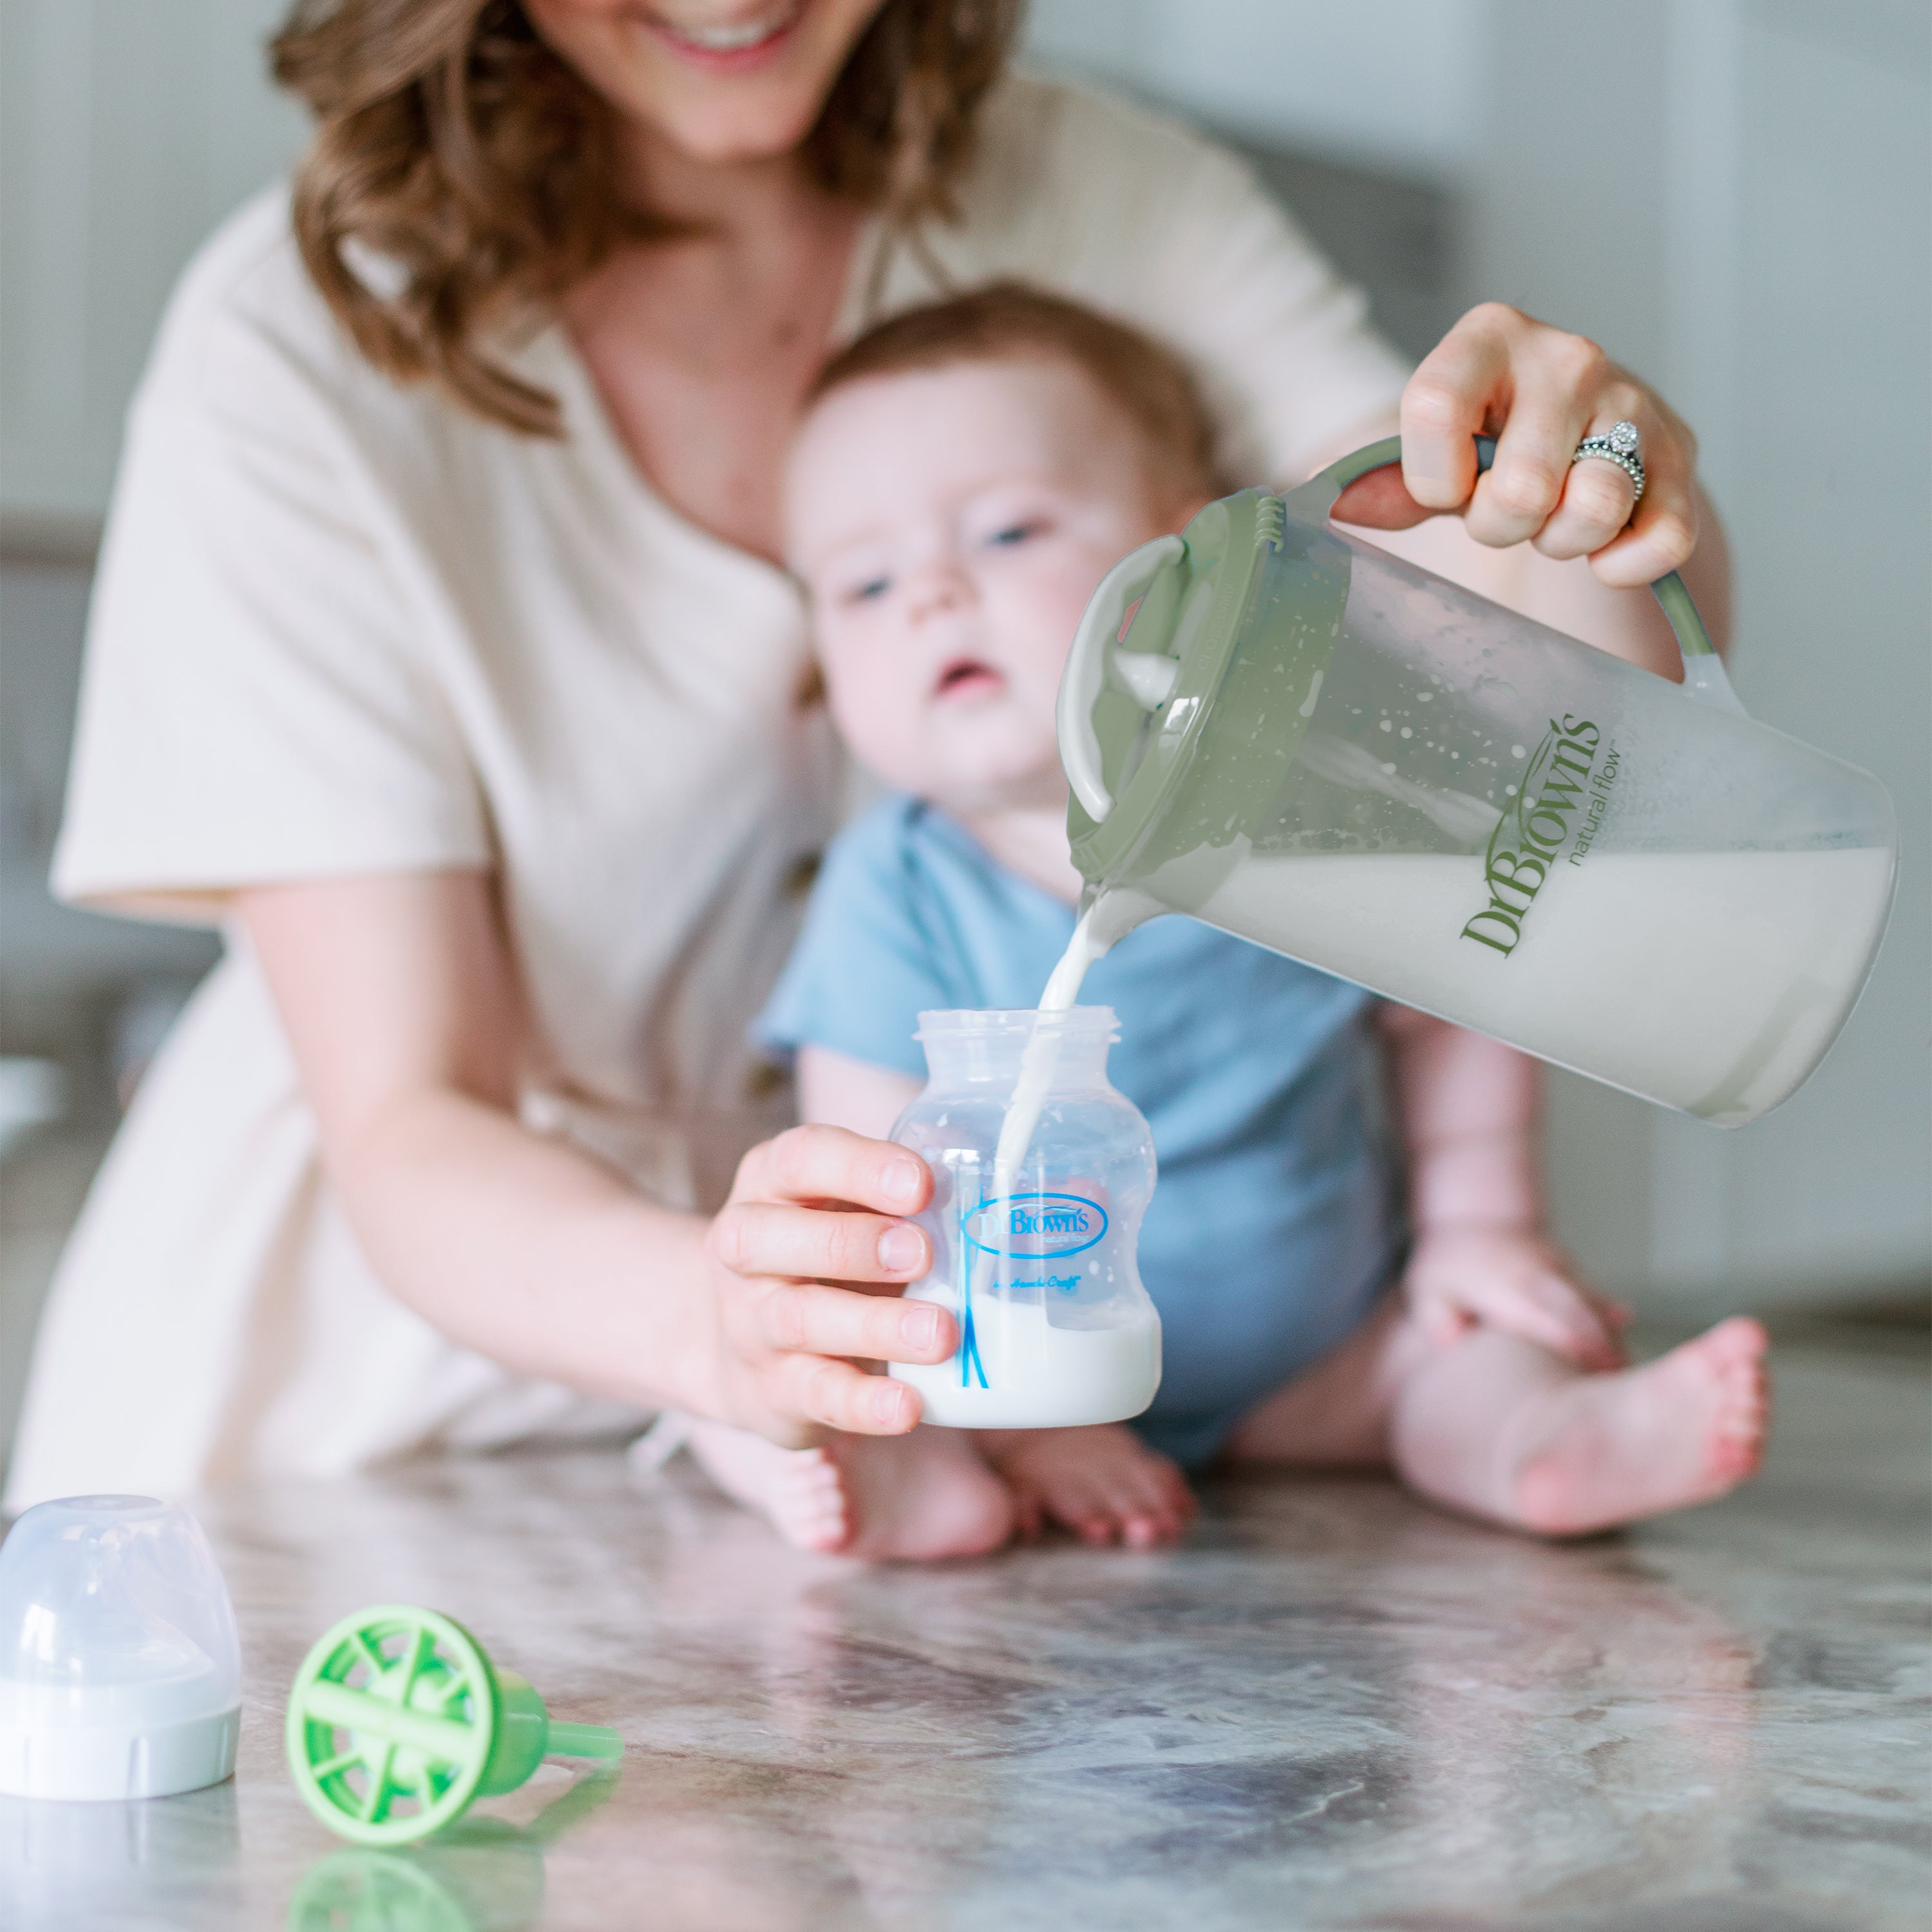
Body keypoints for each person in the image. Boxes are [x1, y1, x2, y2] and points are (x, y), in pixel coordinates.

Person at [5, 0, 1730, 1510]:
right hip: (382, 1433)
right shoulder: (306, 349)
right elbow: (409, 1117)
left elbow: (1508, 649)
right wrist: (724, 1326)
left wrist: (1590, 486)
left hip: (948, 1422)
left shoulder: (1103, 200)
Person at [672, 284, 1770, 1559]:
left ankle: (1544, 1448)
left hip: (1323, 1355)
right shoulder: (899, 884)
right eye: (863, 583)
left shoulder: (1297, 811)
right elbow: (872, 1187)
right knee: (778, 1357)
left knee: (1469, 1352)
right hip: (1003, 1360)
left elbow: (1453, 1004)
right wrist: (1024, 1419)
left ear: (1184, 564)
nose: (931, 597)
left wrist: (1483, 1230)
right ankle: (902, 1482)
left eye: (1009, 532)